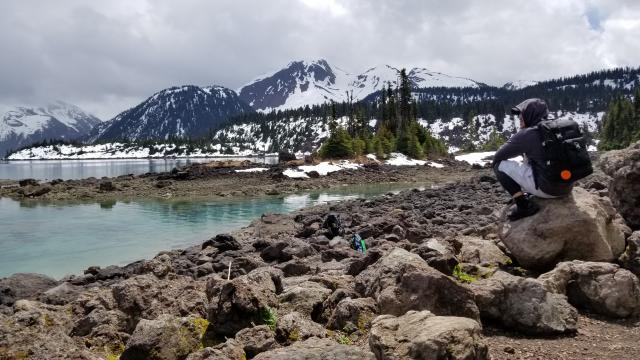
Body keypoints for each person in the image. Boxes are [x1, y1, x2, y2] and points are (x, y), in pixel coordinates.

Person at [493, 98, 574, 221]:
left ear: (529, 115)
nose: (520, 121)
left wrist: (517, 140)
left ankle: (523, 205)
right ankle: (532, 191)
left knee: (499, 165)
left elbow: (498, 156)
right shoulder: (558, 127)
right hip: (567, 187)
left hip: (547, 190)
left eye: (521, 117)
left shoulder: (528, 134)